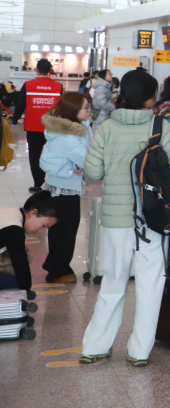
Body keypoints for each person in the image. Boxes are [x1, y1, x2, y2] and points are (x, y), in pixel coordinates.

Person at [79, 70, 170, 367]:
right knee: (151, 284)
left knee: (113, 282)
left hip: (116, 220)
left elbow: (94, 174)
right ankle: (139, 351)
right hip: (152, 220)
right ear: (152, 98)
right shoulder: (161, 128)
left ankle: (94, 346)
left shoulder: (107, 129)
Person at [38, 92, 93, 283]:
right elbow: (88, 158)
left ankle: (54, 263)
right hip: (64, 188)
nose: (89, 111)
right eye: (85, 108)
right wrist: (76, 169)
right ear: (72, 110)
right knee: (66, 231)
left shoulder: (74, 128)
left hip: (62, 186)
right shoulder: (68, 136)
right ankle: (58, 271)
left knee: (60, 229)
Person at [11, 59, 64, 193]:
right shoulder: (58, 86)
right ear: (50, 71)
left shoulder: (28, 85)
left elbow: (20, 104)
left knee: (35, 155)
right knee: (53, 154)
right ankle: (52, 181)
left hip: (33, 127)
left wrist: (15, 118)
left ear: (37, 70)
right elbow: (62, 107)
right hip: (52, 128)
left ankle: (38, 183)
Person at [0, 191, 58, 291]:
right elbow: (21, 267)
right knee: (14, 283)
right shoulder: (14, 229)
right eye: (44, 226)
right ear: (33, 213)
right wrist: (26, 290)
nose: (41, 231)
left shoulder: (11, 213)